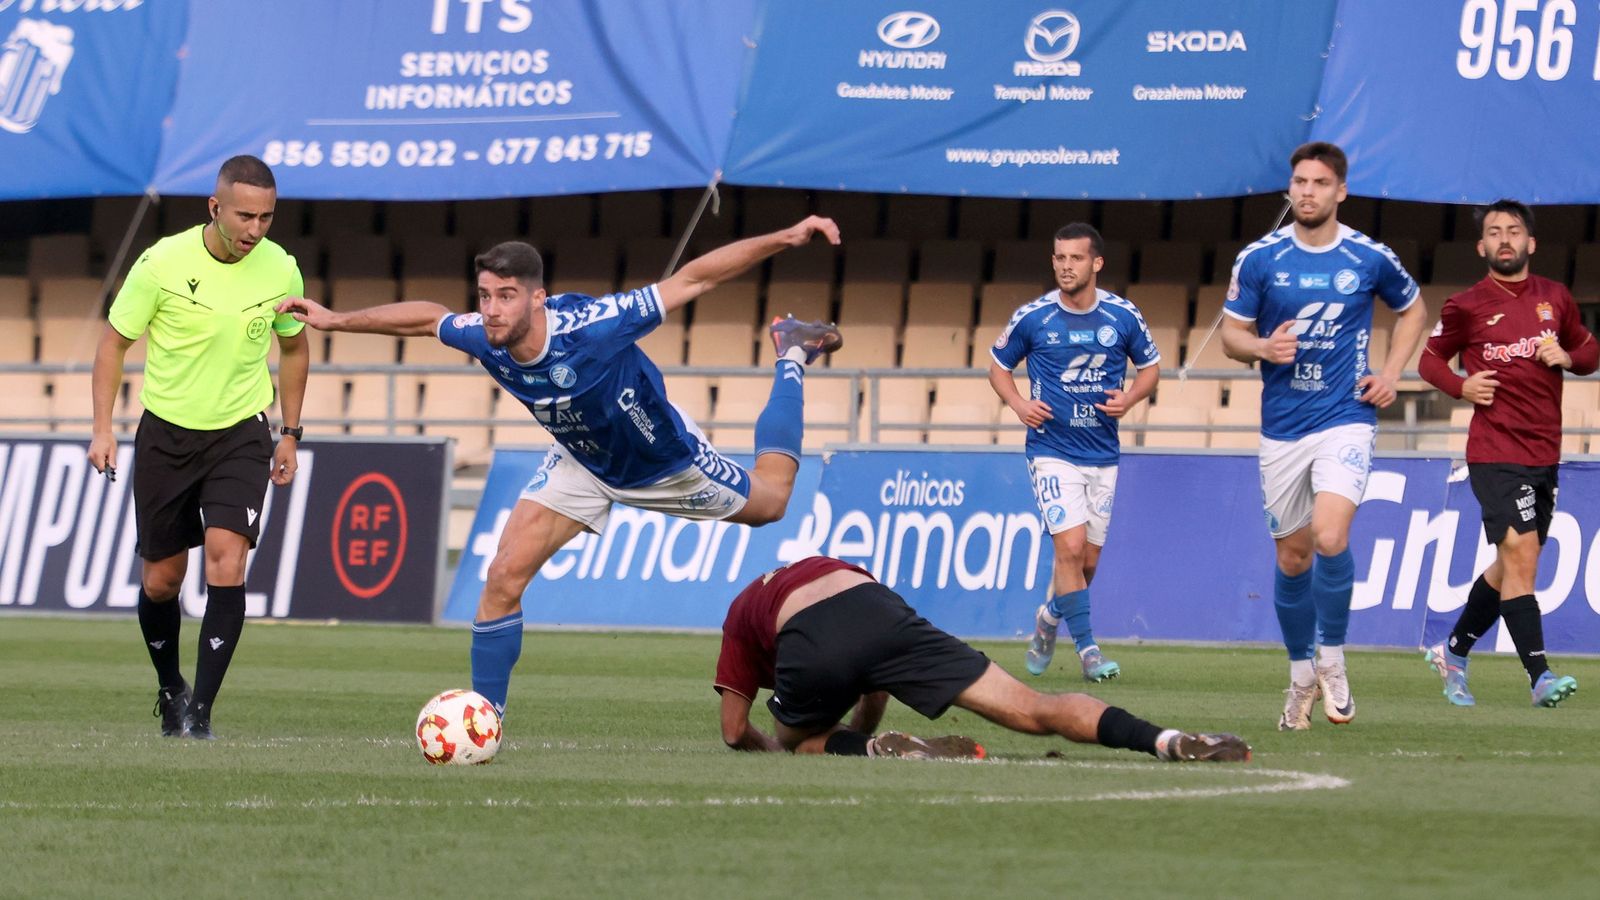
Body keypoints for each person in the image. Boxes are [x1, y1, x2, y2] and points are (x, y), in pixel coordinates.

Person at [279, 217, 843, 719]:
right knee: (502, 576)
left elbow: (695, 279)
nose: (492, 309)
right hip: (580, 459)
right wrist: (335, 320)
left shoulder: (595, 328)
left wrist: (785, 237)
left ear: (538, 299)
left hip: (661, 461)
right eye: (485, 296)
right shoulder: (487, 336)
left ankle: (791, 352)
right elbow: (431, 319)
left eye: (506, 296)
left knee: (772, 501)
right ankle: (485, 720)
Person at [88, 155, 310, 740]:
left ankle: (201, 713)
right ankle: (170, 689)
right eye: (244, 216)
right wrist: (103, 428)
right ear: (215, 207)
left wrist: (289, 432)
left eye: (265, 217)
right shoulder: (161, 263)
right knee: (162, 580)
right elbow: (113, 345)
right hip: (166, 434)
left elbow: (294, 348)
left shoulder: (281, 270)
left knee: (225, 561)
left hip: (240, 432)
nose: (255, 229)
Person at [1220, 142, 1428, 731]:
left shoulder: (1367, 256)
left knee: (1331, 536)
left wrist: (1390, 375)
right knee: (1292, 556)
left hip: (1345, 417)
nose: (1306, 191)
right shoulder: (1260, 258)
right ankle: (1299, 677)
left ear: (1341, 191)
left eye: (1318, 182)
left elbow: (1413, 310)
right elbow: (1233, 334)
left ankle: (1333, 661)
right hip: (1282, 428)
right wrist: (1263, 347)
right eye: (1298, 182)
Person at [714, 555, 1251, 763]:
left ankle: (877, 750)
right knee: (1035, 708)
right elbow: (873, 673)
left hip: (807, 633)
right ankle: (1165, 739)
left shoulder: (742, 613)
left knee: (794, 737)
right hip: (880, 607)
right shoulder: (822, 564)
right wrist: (864, 710)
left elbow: (736, 731)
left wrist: (840, 738)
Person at [1419, 199, 1594, 708]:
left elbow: (1588, 351)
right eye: (1494, 232)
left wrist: (1567, 355)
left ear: (1530, 243)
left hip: (1544, 452)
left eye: (1513, 231)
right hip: (1494, 451)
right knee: (1519, 557)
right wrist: (1461, 386)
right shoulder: (1466, 305)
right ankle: (1539, 677)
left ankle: (1453, 651)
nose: (1504, 239)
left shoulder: (1555, 299)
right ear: (1481, 247)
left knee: (1511, 565)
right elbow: (1430, 361)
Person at [988, 223, 1160, 683]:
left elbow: (1150, 369)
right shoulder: (1034, 317)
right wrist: (1020, 404)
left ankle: (1048, 617)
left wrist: (1131, 398)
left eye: (1075, 258)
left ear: (1096, 263)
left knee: (1086, 564)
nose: (1066, 266)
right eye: (1059, 258)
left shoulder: (1122, 316)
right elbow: (999, 367)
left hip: (1102, 453)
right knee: (1069, 547)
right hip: (1051, 449)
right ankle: (1088, 652)